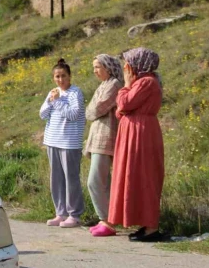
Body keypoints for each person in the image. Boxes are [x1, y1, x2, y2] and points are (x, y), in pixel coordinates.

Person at [92, 47, 165, 242]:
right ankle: (144, 223)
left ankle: (151, 227)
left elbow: (123, 105)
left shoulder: (146, 82)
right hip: (133, 132)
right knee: (132, 176)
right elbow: (121, 110)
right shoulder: (141, 82)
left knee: (144, 177)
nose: (126, 67)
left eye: (129, 63)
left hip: (140, 133)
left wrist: (125, 85)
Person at [39, 58, 86, 228]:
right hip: (52, 140)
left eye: (63, 76)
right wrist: (52, 100)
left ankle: (74, 214)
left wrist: (57, 102)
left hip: (69, 142)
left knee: (71, 179)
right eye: (57, 76)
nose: (60, 80)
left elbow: (73, 115)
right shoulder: (53, 92)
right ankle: (61, 213)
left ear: (70, 76)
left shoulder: (76, 93)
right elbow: (43, 114)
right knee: (56, 178)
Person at [83, 54, 123, 236]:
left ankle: (107, 219)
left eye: (98, 67)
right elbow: (90, 110)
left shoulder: (114, 84)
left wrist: (91, 110)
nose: (95, 71)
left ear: (108, 67)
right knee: (102, 181)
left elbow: (96, 109)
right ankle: (106, 220)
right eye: (94, 68)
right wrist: (91, 110)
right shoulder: (103, 85)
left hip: (106, 137)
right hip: (98, 137)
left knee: (95, 181)